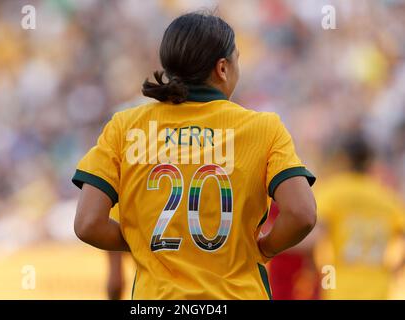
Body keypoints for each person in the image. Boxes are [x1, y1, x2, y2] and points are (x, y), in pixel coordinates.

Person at [72, 12, 316, 299]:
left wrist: (143, 242)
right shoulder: (263, 128)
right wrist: (264, 248)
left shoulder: (125, 127)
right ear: (222, 68)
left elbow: (88, 223)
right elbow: (301, 214)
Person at [315, 132, 405, 299]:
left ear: (344, 159)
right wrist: (393, 270)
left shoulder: (332, 191)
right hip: (379, 286)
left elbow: (318, 236)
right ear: (370, 162)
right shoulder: (386, 196)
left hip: (339, 285)